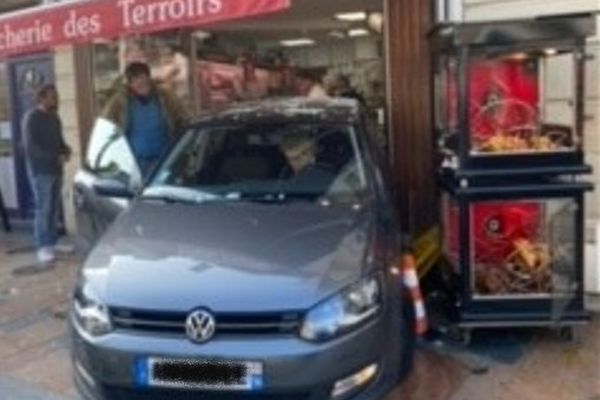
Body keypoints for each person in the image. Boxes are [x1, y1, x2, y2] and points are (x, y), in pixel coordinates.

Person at [102, 62, 189, 176]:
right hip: (135, 163)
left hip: (164, 160)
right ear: (130, 84)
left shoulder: (166, 97)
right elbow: (106, 127)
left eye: (143, 78)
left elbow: (183, 119)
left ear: (149, 78)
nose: (140, 83)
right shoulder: (119, 102)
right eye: (135, 80)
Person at [22, 85, 72, 264]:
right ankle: (42, 246)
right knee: (44, 209)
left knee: (54, 208)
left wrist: (66, 150)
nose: (55, 100)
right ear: (41, 98)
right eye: (52, 97)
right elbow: (30, 148)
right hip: (40, 171)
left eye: (56, 96)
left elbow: (59, 141)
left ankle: (53, 241)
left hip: (56, 169)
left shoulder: (54, 117)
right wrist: (54, 157)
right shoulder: (31, 118)